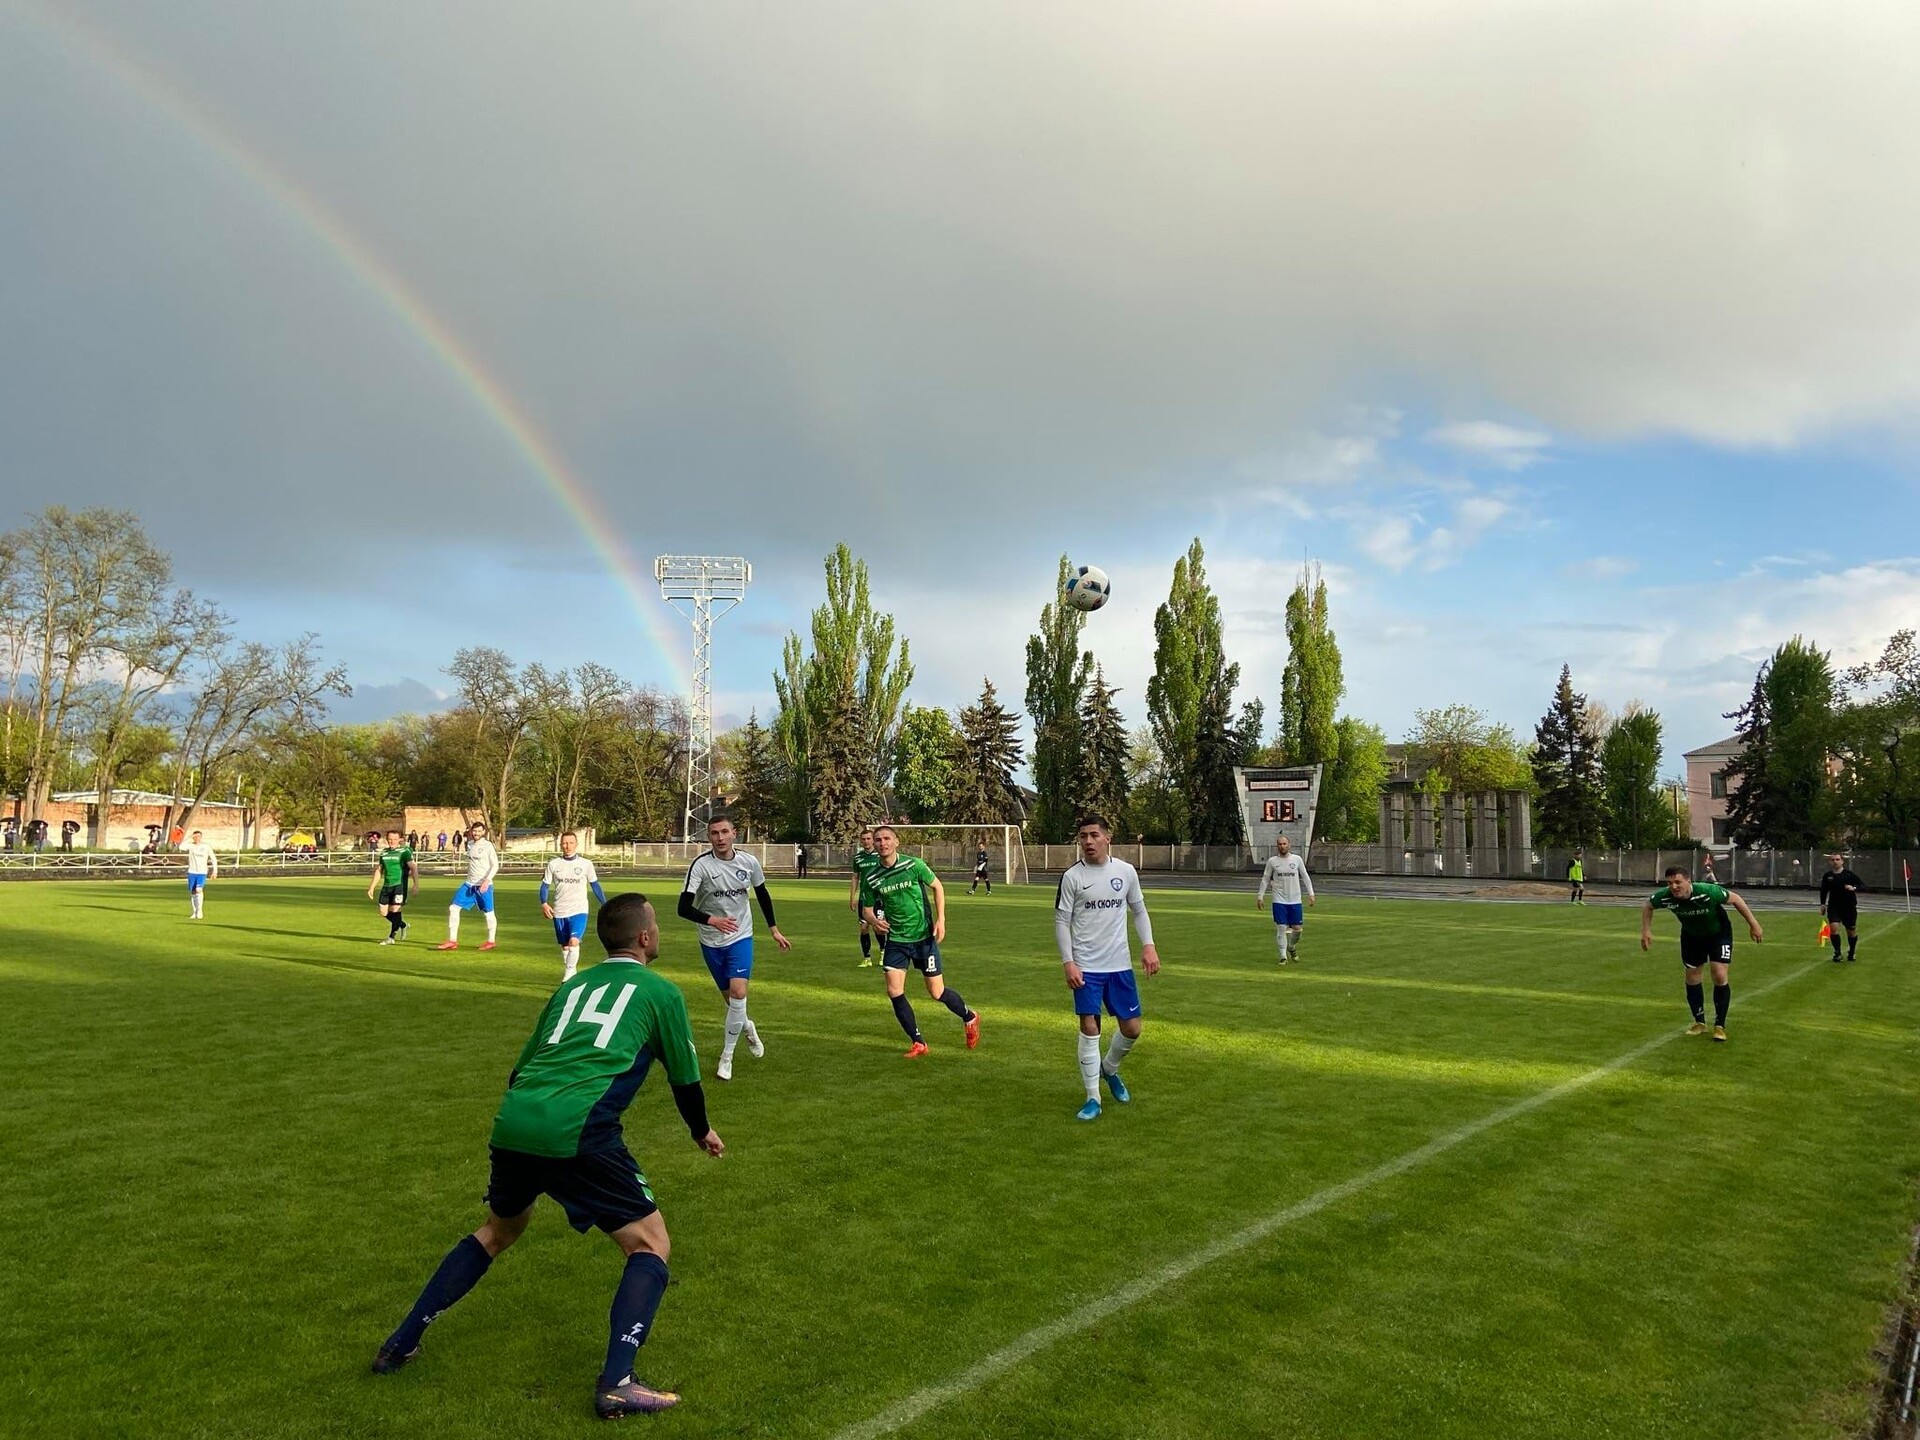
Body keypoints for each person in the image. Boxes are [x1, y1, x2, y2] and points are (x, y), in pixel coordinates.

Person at [371, 892, 724, 1418]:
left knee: (497, 1232)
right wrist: (701, 1132)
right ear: (646, 937)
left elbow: (522, 1067)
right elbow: (685, 1080)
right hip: (578, 1129)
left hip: (515, 1119)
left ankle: (399, 1344)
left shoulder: (572, 986)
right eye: (656, 926)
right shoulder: (661, 992)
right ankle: (617, 1381)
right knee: (650, 1244)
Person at [1055, 814, 1160, 1122]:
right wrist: (1068, 962)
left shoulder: (1125, 872)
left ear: (1107, 838)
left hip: (1119, 964)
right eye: (1083, 836)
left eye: (1093, 835)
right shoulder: (1073, 877)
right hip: (1086, 966)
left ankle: (1109, 1068)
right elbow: (1061, 921)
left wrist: (1149, 944)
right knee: (1089, 1026)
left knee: (1133, 1028)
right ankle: (1093, 1098)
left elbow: (1139, 910)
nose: (1087, 841)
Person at [678, 815, 789, 1081]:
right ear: (709, 837)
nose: (720, 837)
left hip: (741, 936)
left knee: (739, 993)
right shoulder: (701, 866)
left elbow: (762, 894)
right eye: (714, 833)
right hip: (711, 940)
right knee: (732, 1002)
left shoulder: (749, 862)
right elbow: (683, 908)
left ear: (734, 834)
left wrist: (773, 929)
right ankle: (748, 1027)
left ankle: (726, 1057)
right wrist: (713, 920)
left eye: (724, 832)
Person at [859, 825, 978, 1057]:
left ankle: (969, 1016)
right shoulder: (872, 876)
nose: (882, 843)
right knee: (894, 990)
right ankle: (918, 1042)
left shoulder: (914, 865)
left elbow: (937, 887)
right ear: (873, 844)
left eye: (886, 839)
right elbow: (867, 909)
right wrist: (874, 920)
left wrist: (941, 919)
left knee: (937, 992)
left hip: (924, 938)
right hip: (896, 940)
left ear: (896, 842)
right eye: (877, 840)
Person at [1640, 865, 1764, 1041]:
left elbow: (1736, 899)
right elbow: (1648, 905)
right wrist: (1646, 931)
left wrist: (1754, 924)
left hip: (1718, 934)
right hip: (1692, 937)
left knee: (1719, 974)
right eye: (1669, 883)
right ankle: (1699, 1022)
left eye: (1677, 882)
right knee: (1692, 977)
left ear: (1688, 881)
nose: (1674, 887)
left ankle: (1720, 1025)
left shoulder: (1707, 891)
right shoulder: (1666, 897)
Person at [543, 832, 608, 981]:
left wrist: (605, 904)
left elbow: (595, 885)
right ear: (560, 844)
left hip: (579, 910)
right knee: (565, 946)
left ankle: (568, 974)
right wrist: (544, 903)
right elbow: (545, 886)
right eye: (565, 843)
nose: (568, 846)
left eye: (571, 843)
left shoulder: (586, 864)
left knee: (574, 941)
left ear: (576, 844)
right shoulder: (553, 864)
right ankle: (572, 972)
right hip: (559, 911)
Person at [438, 821, 502, 951]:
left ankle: (491, 941)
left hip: (484, 886)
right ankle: (452, 940)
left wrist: (486, 880)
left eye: (479, 831)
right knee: (453, 908)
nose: (476, 833)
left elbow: (495, 865)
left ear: (483, 832)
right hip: (469, 885)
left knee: (489, 913)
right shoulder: (470, 844)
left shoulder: (488, 845)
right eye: (474, 831)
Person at [1256, 834, 1315, 963]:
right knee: (1281, 927)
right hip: (1279, 900)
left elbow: (1305, 876)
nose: (1282, 846)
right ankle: (1283, 956)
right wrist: (1260, 896)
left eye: (1284, 844)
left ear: (1289, 845)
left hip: (1295, 899)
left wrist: (1311, 894)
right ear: (1277, 846)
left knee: (1297, 929)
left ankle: (1291, 947)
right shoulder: (1272, 861)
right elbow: (1265, 879)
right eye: (1280, 844)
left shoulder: (1297, 859)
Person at [367, 829, 418, 944]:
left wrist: (415, 884)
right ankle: (403, 925)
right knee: (383, 912)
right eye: (390, 839)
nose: (392, 841)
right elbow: (379, 870)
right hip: (387, 886)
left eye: (395, 839)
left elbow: (413, 868)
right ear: (386, 839)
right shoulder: (384, 852)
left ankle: (391, 937)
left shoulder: (404, 852)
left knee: (395, 911)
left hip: (399, 885)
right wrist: (372, 887)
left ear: (400, 839)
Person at [1819, 853, 1865, 963]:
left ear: (1842, 861)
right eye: (1833, 860)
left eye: (1837, 859)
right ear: (1830, 862)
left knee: (1851, 930)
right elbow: (1824, 890)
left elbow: (1862, 885)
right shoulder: (1828, 876)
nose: (1835, 861)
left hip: (1848, 907)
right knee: (1834, 929)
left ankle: (1852, 951)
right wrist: (1822, 904)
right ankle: (1837, 952)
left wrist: (1853, 887)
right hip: (1834, 907)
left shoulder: (1849, 875)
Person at [849, 826, 882, 967]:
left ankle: (883, 951)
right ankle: (867, 958)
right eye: (863, 839)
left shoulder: (881, 855)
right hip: (864, 898)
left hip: (879, 898)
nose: (866, 841)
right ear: (860, 842)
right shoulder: (858, 858)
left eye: (869, 838)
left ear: (873, 840)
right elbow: (855, 877)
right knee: (863, 927)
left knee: (879, 927)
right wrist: (852, 897)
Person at [184, 829, 218, 919]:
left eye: (198, 836)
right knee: (193, 892)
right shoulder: (191, 846)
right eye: (195, 837)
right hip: (192, 871)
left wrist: (215, 871)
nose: (197, 838)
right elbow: (180, 847)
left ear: (201, 837)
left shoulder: (206, 846)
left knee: (199, 890)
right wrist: (188, 838)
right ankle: (194, 911)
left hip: (202, 872)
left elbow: (213, 858)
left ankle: (199, 910)